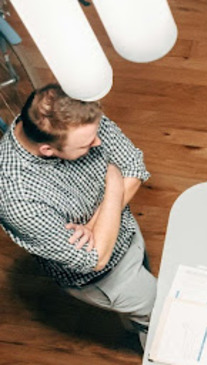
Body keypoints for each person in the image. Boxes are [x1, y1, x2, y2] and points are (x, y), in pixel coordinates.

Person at [0, 84, 155, 348]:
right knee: (159, 314)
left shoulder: (74, 117)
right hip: (107, 278)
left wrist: (95, 224)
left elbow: (134, 166)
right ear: (48, 149)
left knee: (142, 303)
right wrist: (114, 182)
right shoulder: (16, 197)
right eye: (86, 145)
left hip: (127, 232)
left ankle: (136, 322)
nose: (98, 142)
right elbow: (95, 257)